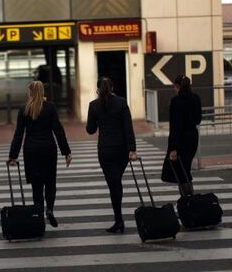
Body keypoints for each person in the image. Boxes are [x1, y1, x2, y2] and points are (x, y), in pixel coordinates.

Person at [8, 81, 72, 228]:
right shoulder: (50, 107)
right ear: (42, 92)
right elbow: (58, 130)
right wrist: (66, 152)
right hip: (48, 149)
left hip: (31, 151)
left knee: (37, 186)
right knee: (50, 182)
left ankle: (39, 215)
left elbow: (18, 134)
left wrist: (13, 155)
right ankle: (49, 209)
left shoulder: (24, 109)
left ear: (30, 92)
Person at [86, 77, 137, 233]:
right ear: (113, 88)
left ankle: (119, 220)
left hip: (105, 150)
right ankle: (119, 220)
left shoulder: (94, 105)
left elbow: (90, 129)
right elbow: (128, 126)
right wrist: (132, 149)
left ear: (97, 89)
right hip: (121, 149)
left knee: (113, 184)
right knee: (117, 181)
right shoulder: (121, 102)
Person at [161, 75, 202, 196]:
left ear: (178, 86)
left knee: (182, 173)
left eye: (175, 87)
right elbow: (198, 119)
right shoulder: (196, 98)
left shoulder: (176, 101)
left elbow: (175, 127)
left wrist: (173, 148)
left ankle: (188, 201)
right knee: (185, 170)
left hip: (180, 140)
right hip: (192, 137)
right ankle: (188, 201)